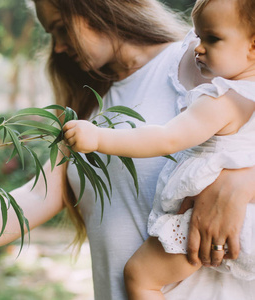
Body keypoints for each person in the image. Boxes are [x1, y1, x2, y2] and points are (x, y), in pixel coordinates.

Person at [0, 0, 255, 299]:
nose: (58, 47)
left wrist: (245, 180)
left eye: (59, 27)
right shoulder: (87, 108)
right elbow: (37, 194)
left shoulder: (198, 61)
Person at [62, 0, 255, 298]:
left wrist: (99, 139)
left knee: (140, 276)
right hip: (241, 223)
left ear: (253, 47)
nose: (198, 48)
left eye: (213, 39)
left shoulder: (222, 101)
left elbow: (166, 139)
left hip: (200, 223)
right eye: (199, 36)